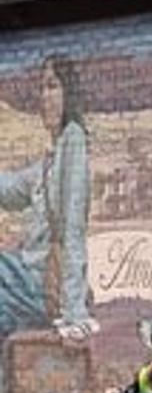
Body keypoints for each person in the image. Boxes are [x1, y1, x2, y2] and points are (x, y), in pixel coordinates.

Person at [0, 54, 93, 342]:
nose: (44, 97)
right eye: (42, 88)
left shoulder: (73, 141)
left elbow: (73, 229)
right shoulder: (50, 160)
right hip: (31, 279)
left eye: (52, 86)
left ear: (70, 93)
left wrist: (74, 313)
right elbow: (12, 191)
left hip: (42, 284)